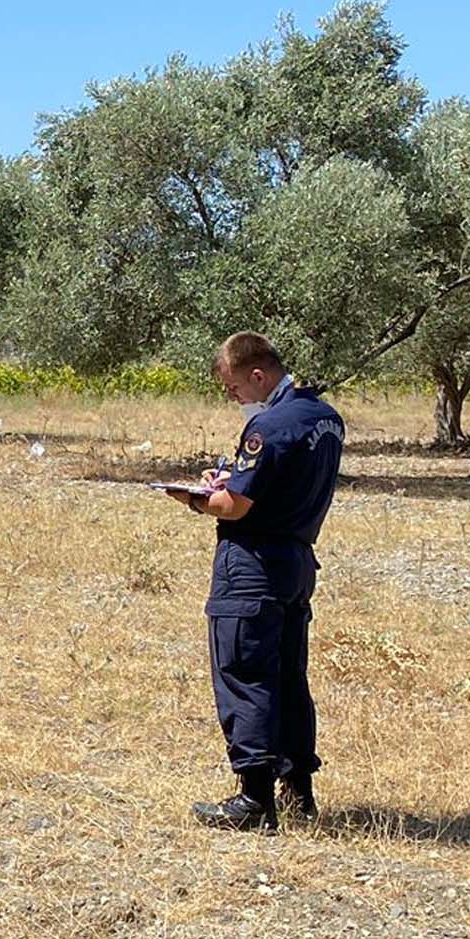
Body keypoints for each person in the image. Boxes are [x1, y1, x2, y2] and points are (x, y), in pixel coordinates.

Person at [171, 332, 343, 833]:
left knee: (244, 672)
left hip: (252, 565)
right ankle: (298, 790)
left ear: (257, 375)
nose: (232, 397)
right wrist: (233, 475)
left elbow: (237, 506)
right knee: (289, 676)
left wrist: (196, 497)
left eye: (232, 388)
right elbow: (280, 481)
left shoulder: (267, 426)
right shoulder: (324, 418)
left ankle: (253, 798)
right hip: (296, 559)